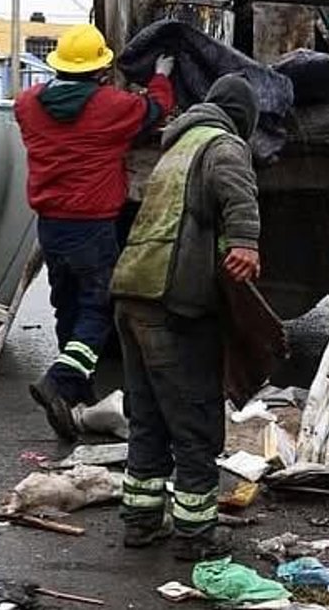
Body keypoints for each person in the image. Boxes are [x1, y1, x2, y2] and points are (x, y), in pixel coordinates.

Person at [111, 74, 262, 561]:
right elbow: (236, 190)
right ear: (242, 118)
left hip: (132, 291)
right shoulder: (222, 145)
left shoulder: (176, 146)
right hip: (172, 301)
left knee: (149, 417)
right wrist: (245, 241)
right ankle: (195, 536)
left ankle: (140, 522)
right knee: (194, 417)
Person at [16, 23, 176, 440]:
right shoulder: (110, 106)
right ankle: (61, 381)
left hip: (51, 226)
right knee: (98, 309)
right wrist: (161, 75)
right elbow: (156, 109)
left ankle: (75, 399)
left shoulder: (29, 104)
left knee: (66, 306)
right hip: (92, 226)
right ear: (100, 70)